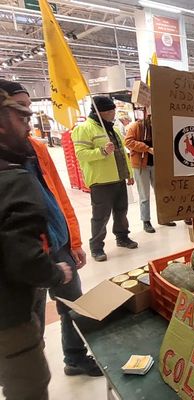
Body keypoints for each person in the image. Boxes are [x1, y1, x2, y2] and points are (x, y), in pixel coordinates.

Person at [0, 79, 103, 378]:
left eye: (30, 109)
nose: (28, 119)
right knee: (30, 319)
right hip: (26, 255)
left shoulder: (34, 149)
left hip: (57, 242)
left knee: (72, 303)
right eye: (22, 112)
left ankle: (74, 358)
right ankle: (32, 359)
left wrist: (74, 239)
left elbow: (57, 195)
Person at [0, 87, 74, 400]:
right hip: (9, 312)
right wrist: (56, 272)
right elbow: (24, 259)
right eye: (21, 114)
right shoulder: (10, 178)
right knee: (28, 384)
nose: (29, 123)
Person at [72, 96, 137, 262]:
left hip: (118, 178)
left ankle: (122, 237)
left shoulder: (111, 129)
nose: (113, 113)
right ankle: (96, 247)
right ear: (100, 112)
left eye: (113, 109)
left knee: (121, 212)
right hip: (101, 181)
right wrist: (101, 152)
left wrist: (128, 173)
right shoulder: (84, 129)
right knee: (101, 216)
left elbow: (122, 153)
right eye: (110, 110)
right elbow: (81, 154)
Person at [125, 112, 176, 232]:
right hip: (141, 165)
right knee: (144, 195)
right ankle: (146, 221)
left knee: (161, 192)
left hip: (157, 164)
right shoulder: (136, 126)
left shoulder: (160, 127)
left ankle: (164, 217)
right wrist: (146, 148)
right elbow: (128, 142)